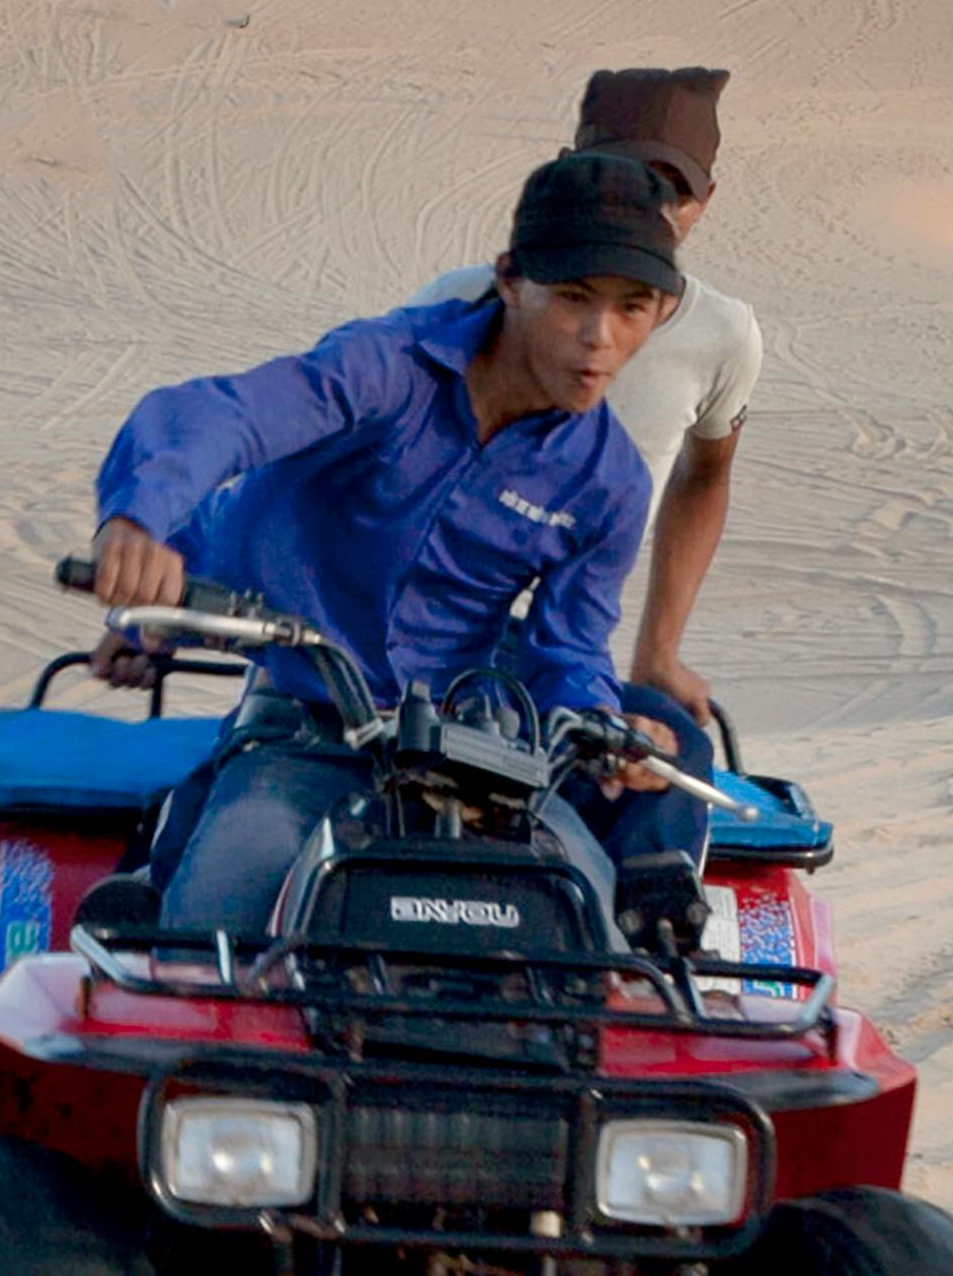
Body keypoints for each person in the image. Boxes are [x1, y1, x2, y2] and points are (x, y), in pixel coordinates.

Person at [84, 146, 693, 933]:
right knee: (216, 916)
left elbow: (569, 650)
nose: (599, 338)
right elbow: (228, 416)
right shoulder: (385, 368)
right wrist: (139, 518)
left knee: (590, 933)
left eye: (633, 307)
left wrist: (602, 726)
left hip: (471, 755)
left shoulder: (608, 482)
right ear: (510, 277)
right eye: (574, 297)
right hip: (304, 725)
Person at [403, 65, 756, 741]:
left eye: (674, 191)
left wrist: (658, 651)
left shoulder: (724, 334)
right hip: (435, 627)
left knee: (662, 787)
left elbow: (706, 473)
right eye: (625, 177)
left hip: (573, 643)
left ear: (708, 197)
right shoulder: (463, 299)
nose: (650, 210)